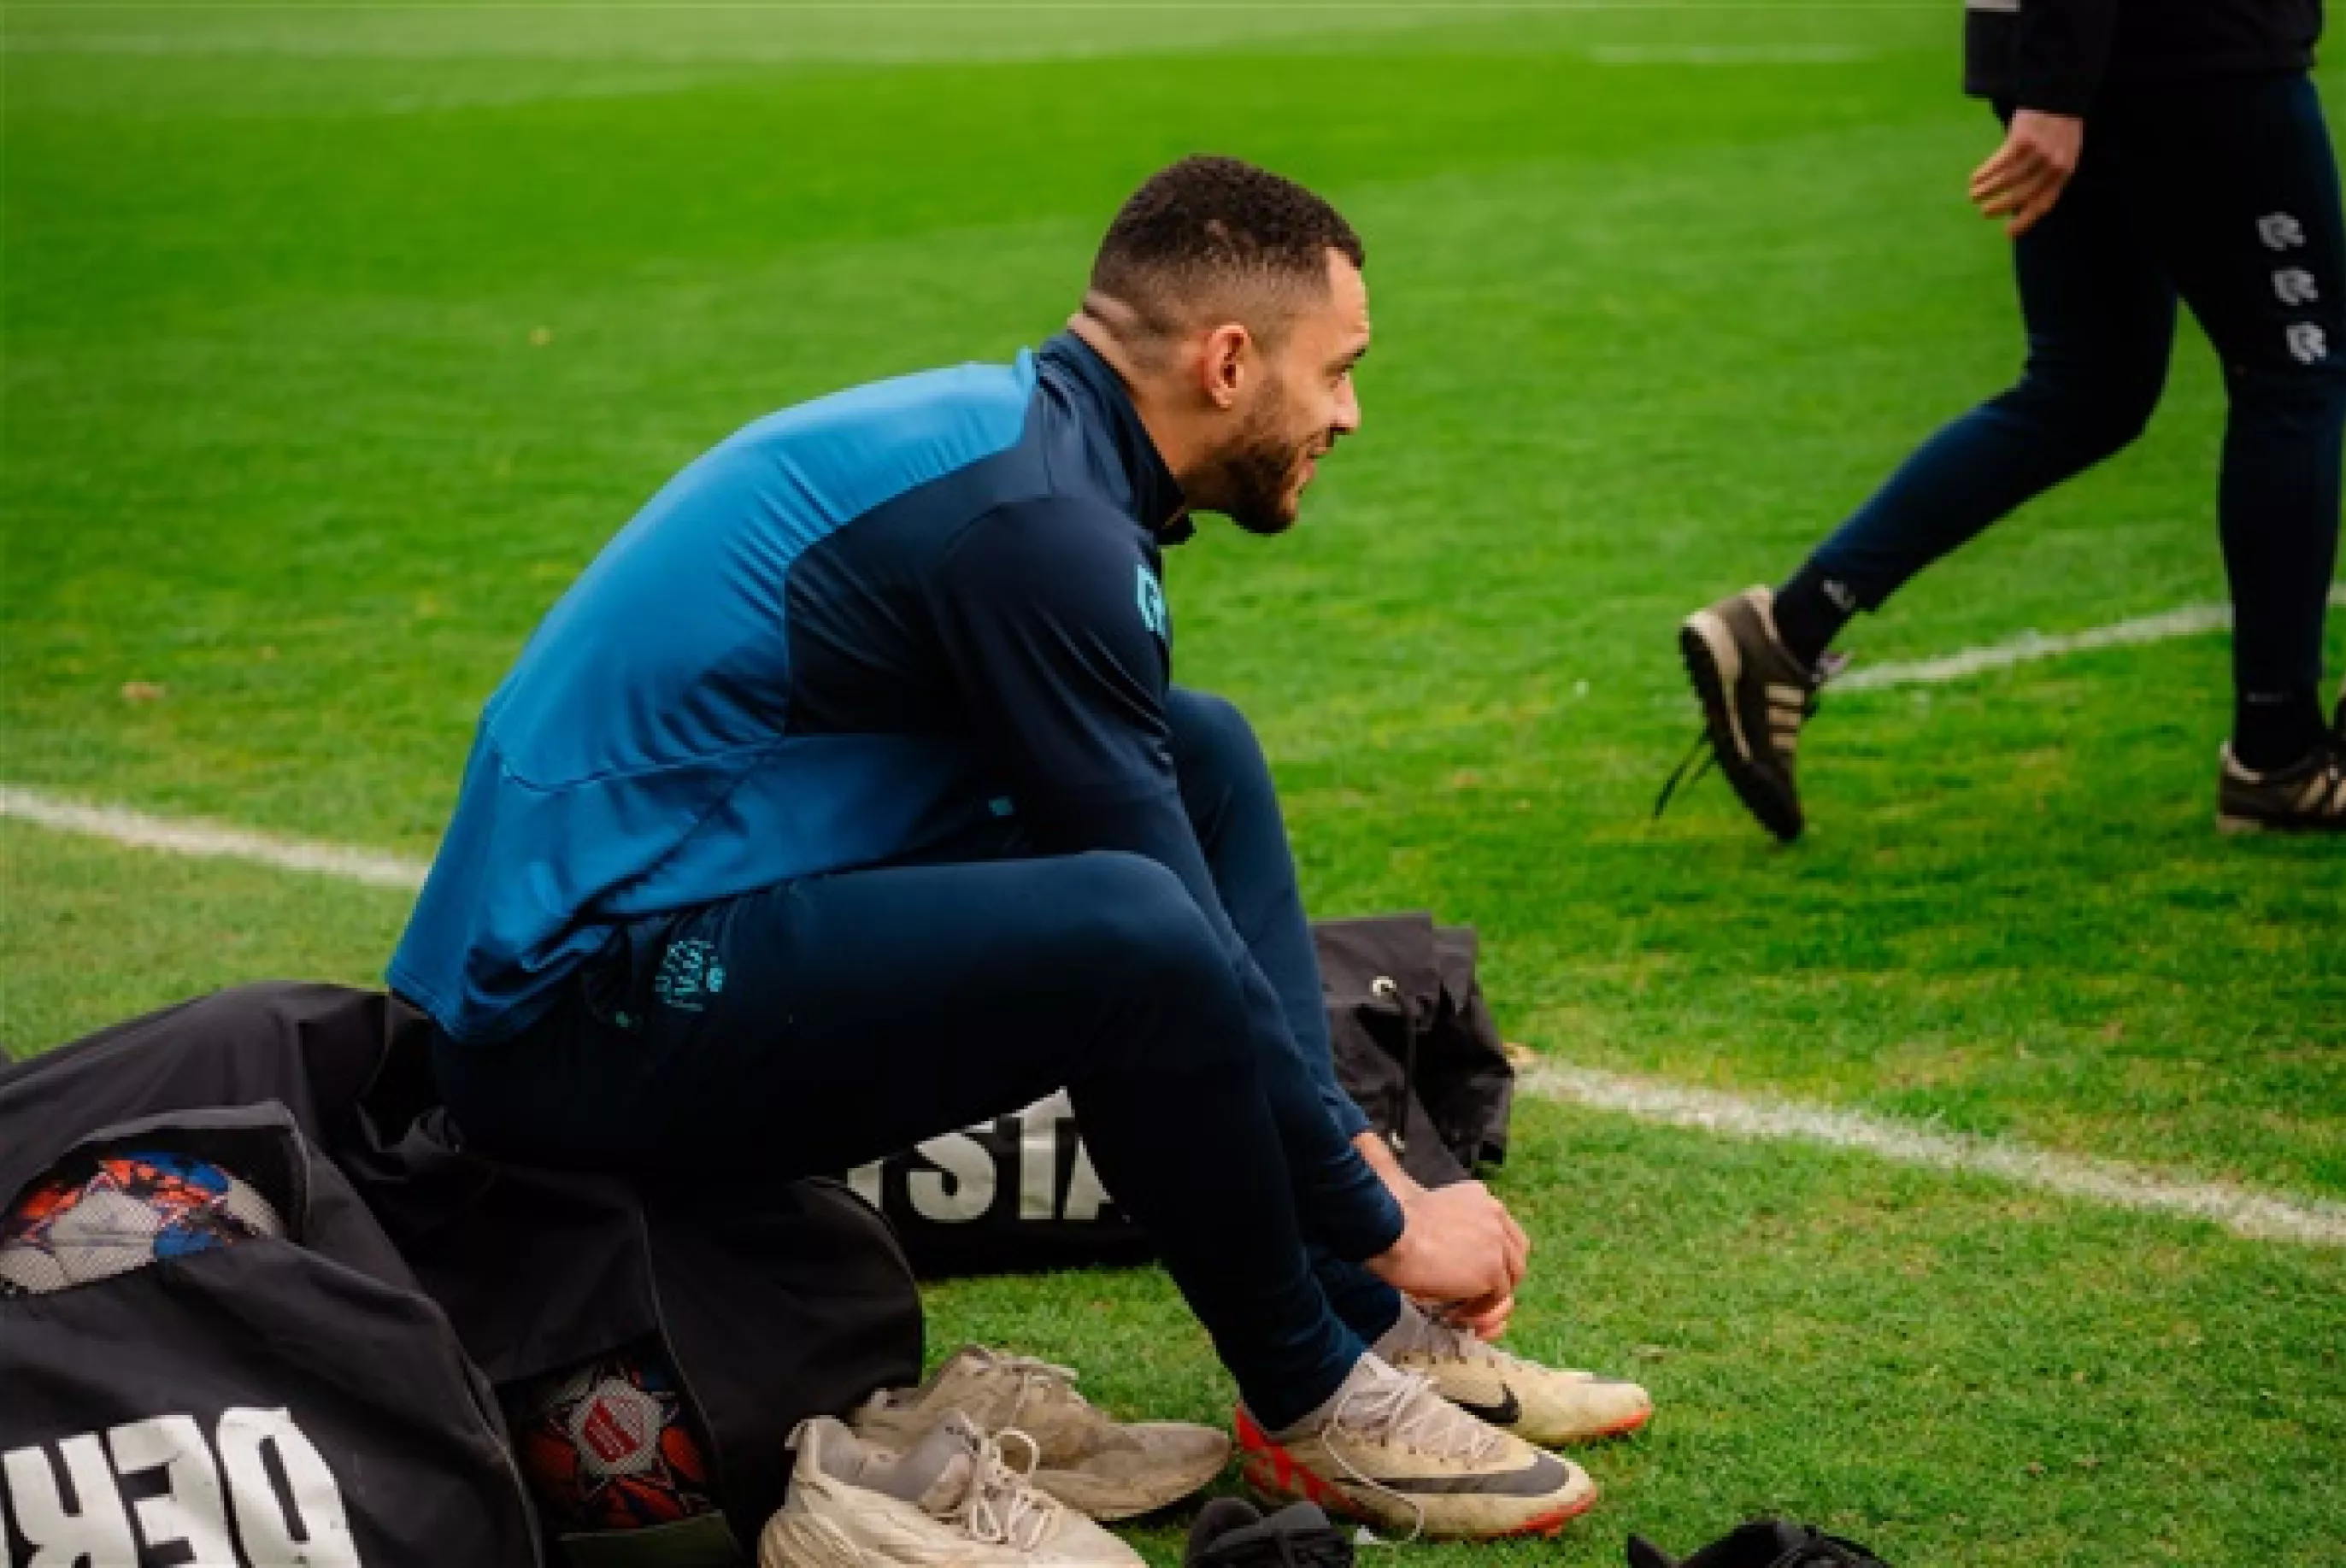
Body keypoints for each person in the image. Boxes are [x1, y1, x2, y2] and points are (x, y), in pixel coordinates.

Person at [391, 156, 1643, 1548]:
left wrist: (1362, 1176)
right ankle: (1311, 1397)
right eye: (1337, 371)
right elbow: (1163, 921)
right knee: (1134, 935)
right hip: (565, 1023)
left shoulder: (1032, 456)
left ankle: (1365, 1338)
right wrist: (1392, 1217)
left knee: (1204, 756)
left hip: (655, 936)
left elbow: (1163, 827)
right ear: (1230, 362)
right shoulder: (1039, 524)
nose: (1348, 413)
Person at [1673, 0, 2344, 839]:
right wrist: (2060, 86)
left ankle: (1790, 628)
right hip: (2177, 49)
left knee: (2089, 387)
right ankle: (2278, 752)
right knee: (2294, 367)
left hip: (2090, 49)